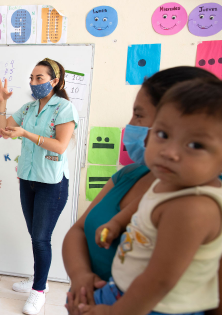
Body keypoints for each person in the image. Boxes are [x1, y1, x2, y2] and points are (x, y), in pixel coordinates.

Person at [62, 67, 221, 315]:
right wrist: (81, 278)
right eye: (163, 134)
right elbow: (80, 230)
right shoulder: (148, 179)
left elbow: (160, 281)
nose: (169, 151)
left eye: (194, 144)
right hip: (111, 292)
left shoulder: (197, 205)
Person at [0, 58, 78, 315]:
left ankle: (38, 291)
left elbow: (60, 146)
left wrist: (26, 134)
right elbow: (1, 131)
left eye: (39, 78)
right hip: (28, 180)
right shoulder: (28, 109)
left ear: (55, 81)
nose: (33, 82)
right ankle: (39, 278)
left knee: (41, 238)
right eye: (31, 78)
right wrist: (2, 103)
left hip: (52, 183)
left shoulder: (64, 108)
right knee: (35, 236)